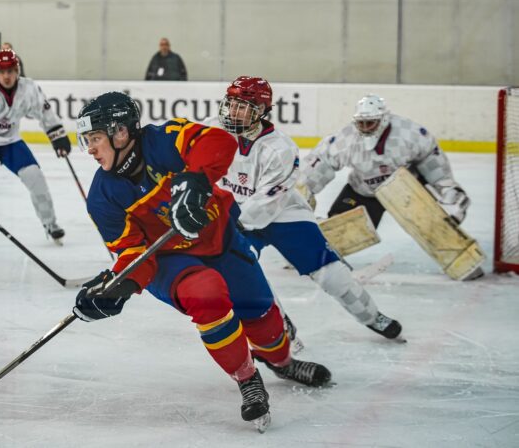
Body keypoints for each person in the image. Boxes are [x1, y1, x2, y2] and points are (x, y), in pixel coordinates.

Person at [73, 91, 331, 432]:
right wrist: (119, 286)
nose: (90, 148)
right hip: (171, 263)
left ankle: (281, 362)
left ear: (121, 132)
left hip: (221, 241)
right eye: (87, 140)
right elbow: (133, 252)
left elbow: (218, 142)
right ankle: (247, 377)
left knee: (262, 317)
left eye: (95, 138)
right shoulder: (102, 197)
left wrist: (195, 178)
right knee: (206, 295)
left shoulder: (162, 140)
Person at [212, 76, 402, 341]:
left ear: (262, 111)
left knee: (331, 274)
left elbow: (270, 199)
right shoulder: (212, 132)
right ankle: (280, 330)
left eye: (244, 107)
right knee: (243, 277)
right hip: (236, 216)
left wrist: (231, 222)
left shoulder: (280, 149)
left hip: (283, 215)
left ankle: (372, 316)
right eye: (231, 104)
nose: (234, 112)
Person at [297, 94, 480, 279]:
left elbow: (436, 169)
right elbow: (318, 164)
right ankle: (306, 257)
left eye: (371, 123)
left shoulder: (411, 134)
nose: (365, 128)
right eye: (361, 123)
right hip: (363, 191)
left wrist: (450, 194)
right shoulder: (345, 140)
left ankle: (464, 262)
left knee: (432, 225)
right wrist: (300, 191)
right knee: (338, 231)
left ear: (384, 119)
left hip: (405, 190)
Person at [0, 48, 70, 246]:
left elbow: (45, 113)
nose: (6, 76)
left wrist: (57, 134)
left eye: (10, 71)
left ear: (17, 70)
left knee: (36, 179)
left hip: (10, 142)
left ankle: (50, 224)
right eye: (1, 71)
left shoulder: (29, 89)